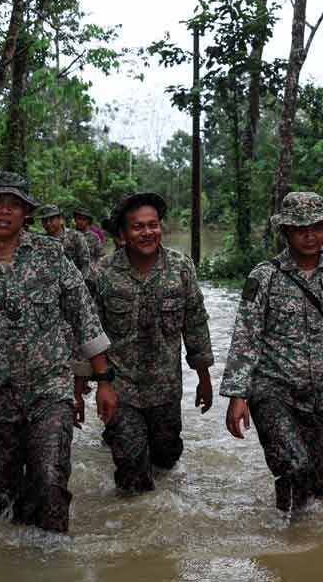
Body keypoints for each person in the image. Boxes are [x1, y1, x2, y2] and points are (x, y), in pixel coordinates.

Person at [0, 171, 117, 533]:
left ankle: (54, 556)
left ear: (25, 212)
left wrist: (104, 380)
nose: (4, 211)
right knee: (4, 505)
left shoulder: (51, 255)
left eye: (14, 204)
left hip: (49, 392)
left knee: (50, 483)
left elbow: (84, 315)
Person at [219, 191, 323, 513]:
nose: (310, 236)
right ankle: (287, 537)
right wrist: (237, 395)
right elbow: (246, 336)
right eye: (300, 229)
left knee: (318, 491)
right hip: (273, 392)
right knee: (294, 467)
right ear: (286, 232)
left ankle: (297, 534)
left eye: (317, 228)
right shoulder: (264, 277)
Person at [86, 192, 214, 495]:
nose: (147, 233)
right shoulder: (102, 272)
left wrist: (204, 379)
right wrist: (90, 385)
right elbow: (89, 330)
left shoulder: (181, 268)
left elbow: (195, 324)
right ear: (122, 233)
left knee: (166, 460)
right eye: (138, 227)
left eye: (153, 225)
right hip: (121, 389)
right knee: (132, 470)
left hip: (166, 389)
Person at [36, 204, 92, 275]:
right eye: (44, 220)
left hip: (73, 278)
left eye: (51, 219)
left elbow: (85, 262)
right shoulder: (41, 239)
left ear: (60, 219)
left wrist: (82, 280)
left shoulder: (75, 236)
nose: (48, 223)